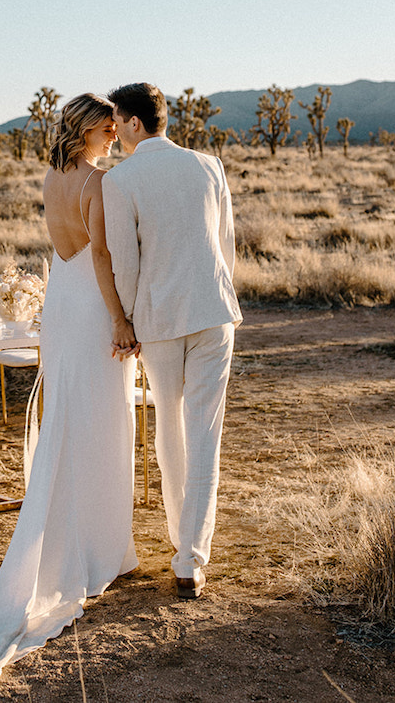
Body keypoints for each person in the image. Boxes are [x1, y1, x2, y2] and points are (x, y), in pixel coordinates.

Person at [0, 93, 139, 689]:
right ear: (93, 130)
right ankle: (100, 549)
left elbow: (66, 250)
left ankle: (96, 545)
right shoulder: (97, 183)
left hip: (61, 304)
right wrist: (122, 319)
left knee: (72, 418)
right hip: (95, 306)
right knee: (103, 420)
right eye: (107, 129)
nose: (112, 138)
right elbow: (100, 253)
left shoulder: (52, 176)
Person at [102, 82, 241, 600]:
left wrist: (129, 322)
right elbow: (225, 244)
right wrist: (217, 294)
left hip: (159, 320)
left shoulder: (122, 180)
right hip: (213, 312)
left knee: (170, 430)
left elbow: (125, 261)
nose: (114, 131)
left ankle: (183, 544)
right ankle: (191, 559)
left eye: (117, 120)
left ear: (136, 123)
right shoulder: (209, 165)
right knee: (204, 433)